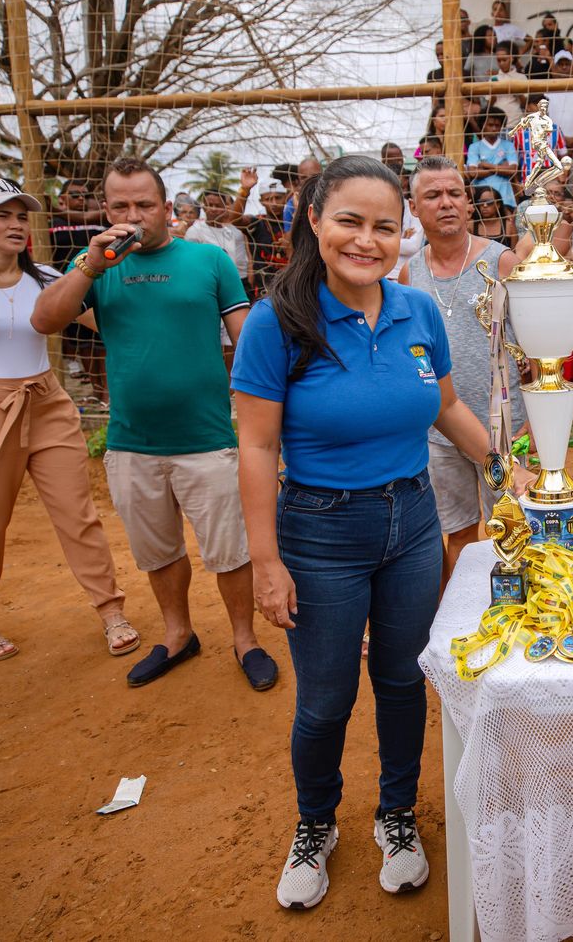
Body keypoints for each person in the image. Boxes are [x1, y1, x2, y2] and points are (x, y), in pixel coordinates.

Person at [231, 157, 509, 909]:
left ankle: (396, 815)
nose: (367, 239)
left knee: (399, 681)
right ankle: (315, 825)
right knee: (323, 700)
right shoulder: (277, 321)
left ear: (402, 234)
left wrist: (513, 472)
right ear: (314, 220)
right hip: (320, 532)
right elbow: (255, 448)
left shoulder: (415, 310)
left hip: (413, 521)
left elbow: (448, 411)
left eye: (385, 226)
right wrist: (266, 563)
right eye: (349, 221)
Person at [31, 156, 275, 691]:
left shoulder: (208, 261)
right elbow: (44, 320)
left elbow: (248, 340)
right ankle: (177, 635)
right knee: (157, 551)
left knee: (228, 551)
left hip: (208, 438)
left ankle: (245, 639)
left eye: (144, 204)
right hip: (131, 442)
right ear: (106, 210)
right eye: (121, 205)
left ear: (166, 207)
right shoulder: (94, 264)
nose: (133, 214)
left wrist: (264, 413)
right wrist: (91, 266)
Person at [0, 178, 140, 663]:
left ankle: (110, 610)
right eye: (1, 215)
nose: (16, 225)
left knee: (78, 513)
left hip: (47, 400)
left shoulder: (44, 275)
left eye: (20, 216)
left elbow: (110, 323)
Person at [401, 156, 530, 583]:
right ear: (414, 207)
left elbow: (532, 348)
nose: (447, 203)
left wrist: (529, 418)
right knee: (455, 532)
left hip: (504, 428)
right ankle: (455, 618)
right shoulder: (408, 273)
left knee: (512, 527)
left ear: (469, 203)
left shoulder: (502, 262)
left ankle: (514, 616)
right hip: (438, 430)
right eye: (433, 195)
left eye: (455, 193)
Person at [466, 109, 519, 209]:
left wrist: (486, 165)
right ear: (483, 125)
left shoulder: (508, 145)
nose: (494, 128)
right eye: (490, 125)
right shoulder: (474, 147)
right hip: (482, 198)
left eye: (497, 125)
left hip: (505, 197)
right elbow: (473, 173)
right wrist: (502, 168)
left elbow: (513, 170)